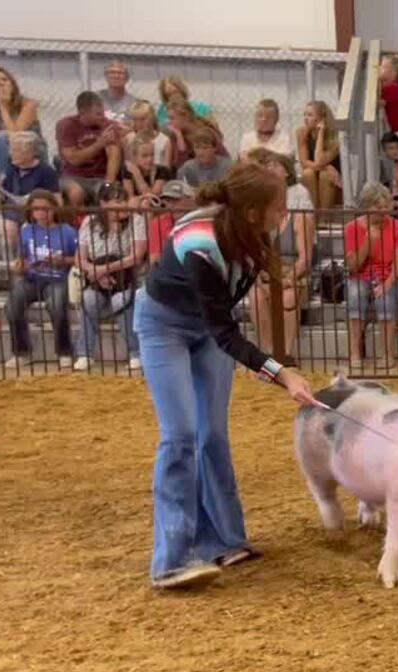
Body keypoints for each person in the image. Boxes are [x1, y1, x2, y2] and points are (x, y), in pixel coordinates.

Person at [133, 162, 317, 590]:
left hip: (207, 327)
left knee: (212, 434)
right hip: (165, 325)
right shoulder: (199, 240)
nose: (285, 215)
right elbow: (225, 331)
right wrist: (282, 373)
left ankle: (226, 540)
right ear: (254, 211)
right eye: (281, 207)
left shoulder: (252, 233)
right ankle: (172, 560)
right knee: (179, 434)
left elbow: (222, 321)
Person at [246, 149, 315, 361]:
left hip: (294, 274)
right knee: (255, 296)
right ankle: (267, 352)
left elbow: (305, 258)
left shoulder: (300, 217)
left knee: (288, 296)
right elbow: (255, 254)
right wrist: (262, 275)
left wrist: (288, 278)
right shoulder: (263, 221)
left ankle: (285, 353)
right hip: (269, 272)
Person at [75, 181, 147, 371]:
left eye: (124, 201)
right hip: (95, 276)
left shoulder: (136, 220)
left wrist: (104, 269)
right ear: (103, 205)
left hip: (126, 276)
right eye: (117, 202)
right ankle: (84, 353)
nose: (123, 205)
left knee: (120, 301)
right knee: (88, 299)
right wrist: (94, 272)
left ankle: (135, 353)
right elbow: (80, 258)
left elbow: (136, 257)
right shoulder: (89, 222)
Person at [6, 190, 79, 369]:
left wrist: (61, 261)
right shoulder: (26, 230)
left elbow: (78, 259)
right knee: (12, 306)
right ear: (31, 211)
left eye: (45, 209)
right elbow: (21, 257)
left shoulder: (68, 231)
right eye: (36, 209)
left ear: (54, 209)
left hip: (58, 279)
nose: (41, 213)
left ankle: (64, 351)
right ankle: (22, 352)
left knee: (56, 306)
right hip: (31, 278)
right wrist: (20, 266)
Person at [343, 182, 398, 369]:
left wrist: (386, 285)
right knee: (355, 294)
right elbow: (353, 266)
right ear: (366, 207)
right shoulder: (352, 228)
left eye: (386, 205)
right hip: (360, 275)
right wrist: (367, 243)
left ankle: (388, 355)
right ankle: (355, 353)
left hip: (387, 275)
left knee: (385, 300)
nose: (383, 211)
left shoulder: (397, 227)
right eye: (377, 207)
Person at [58, 91, 125, 208]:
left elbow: (114, 156)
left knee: (110, 195)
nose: (103, 116)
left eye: (103, 112)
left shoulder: (107, 125)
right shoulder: (67, 125)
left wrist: (108, 184)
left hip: (99, 177)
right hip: (73, 176)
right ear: (83, 113)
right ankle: (77, 224)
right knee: (75, 193)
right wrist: (100, 143)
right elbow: (74, 159)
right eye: (98, 114)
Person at [0, 68, 42, 177]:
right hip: (3, 147)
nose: (1, 83)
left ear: (12, 83)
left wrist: (3, 107)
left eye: (5, 79)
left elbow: (15, 134)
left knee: (2, 136)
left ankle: (4, 178)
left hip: (29, 146)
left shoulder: (29, 104)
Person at [296, 101, 342, 209]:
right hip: (315, 174)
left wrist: (321, 134)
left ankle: (323, 219)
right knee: (307, 173)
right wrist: (326, 167)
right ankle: (313, 216)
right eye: (305, 114)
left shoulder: (336, 137)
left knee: (325, 175)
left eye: (310, 115)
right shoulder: (301, 133)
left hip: (333, 180)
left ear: (323, 118)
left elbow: (319, 160)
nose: (305, 118)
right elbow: (304, 162)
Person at [100, 60, 137, 124]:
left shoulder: (135, 103)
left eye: (120, 73)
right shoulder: (94, 99)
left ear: (127, 78)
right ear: (106, 76)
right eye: (112, 72)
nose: (116, 76)